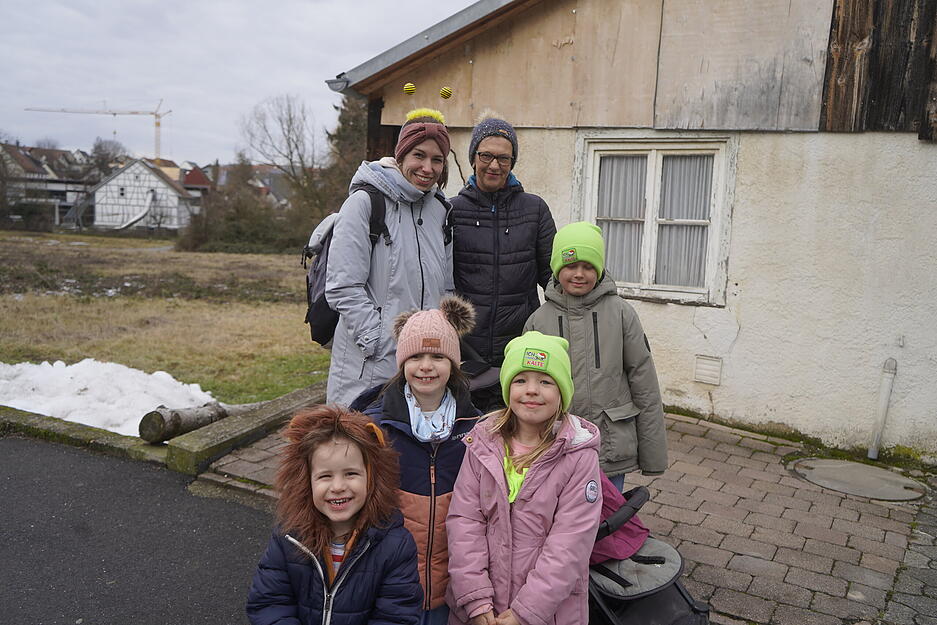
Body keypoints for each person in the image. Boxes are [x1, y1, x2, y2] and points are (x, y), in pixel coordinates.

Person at [445, 331, 602, 625]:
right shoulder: (482, 443)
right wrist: (476, 600)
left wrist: (525, 613)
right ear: (507, 388)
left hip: (548, 612)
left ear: (563, 393)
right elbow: (464, 521)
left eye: (545, 381)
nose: (531, 390)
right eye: (520, 380)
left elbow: (569, 546)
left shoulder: (578, 456)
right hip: (482, 612)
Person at [351, 295, 481, 625]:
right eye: (416, 356)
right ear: (402, 362)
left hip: (451, 576)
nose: (426, 365)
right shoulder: (375, 427)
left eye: (437, 356)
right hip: (393, 579)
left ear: (453, 363)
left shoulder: (475, 428)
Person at [246, 405, 422, 625]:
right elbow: (269, 603)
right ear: (306, 482)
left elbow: (397, 616)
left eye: (351, 474)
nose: (338, 486)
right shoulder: (289, 536)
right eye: (325, 476)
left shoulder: (395, 545)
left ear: (372, 479)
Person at [524, 222, 668, 491]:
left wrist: (653, 454)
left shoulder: (622, 314)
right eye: (570, 265)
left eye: (588, 266)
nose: (579, 274)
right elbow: (526, 387)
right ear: (556, 268)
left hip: (609, 444)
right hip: (557, 444)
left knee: (607, 513)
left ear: (599, 270)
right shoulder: (538, 322)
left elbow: (644, 381)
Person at [326, 108, 454, 406]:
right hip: (369, 367)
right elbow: (343, 287)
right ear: (401, 156)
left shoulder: (441, 211)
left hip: (422, 369)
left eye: (437, 160)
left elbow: (446, 286)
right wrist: (381, 341)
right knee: (362, 448)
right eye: (419, 156)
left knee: (410, 451)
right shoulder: (364, 204)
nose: (427, 167)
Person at [449, 113, 556, 412]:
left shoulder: (534, 209)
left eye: (504, 158)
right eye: (486, 156)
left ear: (512, 163)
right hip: (466, 349)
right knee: (469, 437)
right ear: (473, 158)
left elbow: (552, 276)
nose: (494, 165)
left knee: (517, 440)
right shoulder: (452, 211)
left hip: (520, 347)